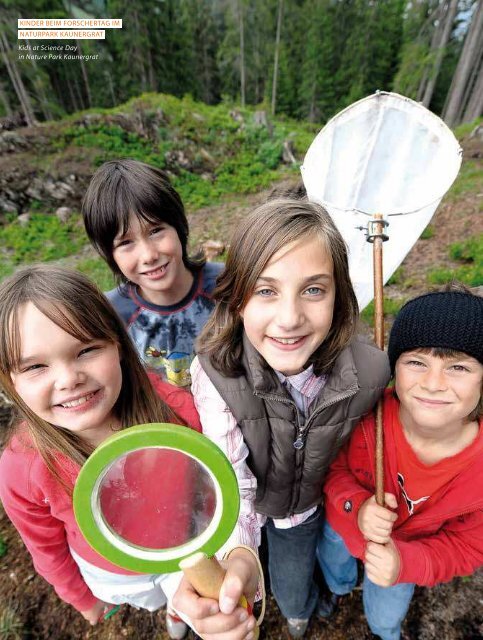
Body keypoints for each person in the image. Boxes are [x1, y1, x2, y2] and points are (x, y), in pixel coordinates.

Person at [0, 265, 259, 640]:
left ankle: (178, 608)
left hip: (183, 549)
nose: (68, 379)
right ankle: (165, 605)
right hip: (110, 573)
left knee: (185, 600)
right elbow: (44, 545)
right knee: (146, 599)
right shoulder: (19, 465)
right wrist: (80, 598)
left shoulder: (178, 411)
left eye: (86, 350)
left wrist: (227, 556)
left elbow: (216, 486)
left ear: (118, 344)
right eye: (36, 366)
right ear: (10, 381)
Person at [183, 198, 390, 638]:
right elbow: (230, 478)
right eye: (266, 290)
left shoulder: (372, 372)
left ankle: (299, 615)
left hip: (306, 513)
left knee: (293, 587)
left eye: (314, 289)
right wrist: (240, 554)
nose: (290, 318)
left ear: (340, 296)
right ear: (237, 298)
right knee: (253, 570)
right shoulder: (216, 373)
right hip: (246, 509)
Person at [318, 285, 483, 640]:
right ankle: (338, 589)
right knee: (335, 563)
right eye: (416, 362)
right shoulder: (365, 414)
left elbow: (467, 546)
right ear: (394, 367)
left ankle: (383, 631)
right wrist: (357, 506)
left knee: (386, 616)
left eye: (458, 367)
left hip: (403, 558)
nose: (434, 383)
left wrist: (406, 563)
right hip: (343, 526)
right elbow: (333, 469)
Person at [82, 159, 223, 387]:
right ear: (110, 255)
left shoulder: (227, 285)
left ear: (179, 227)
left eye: (156, 230)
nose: (148, 255)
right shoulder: (110, 316)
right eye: (126, 242)